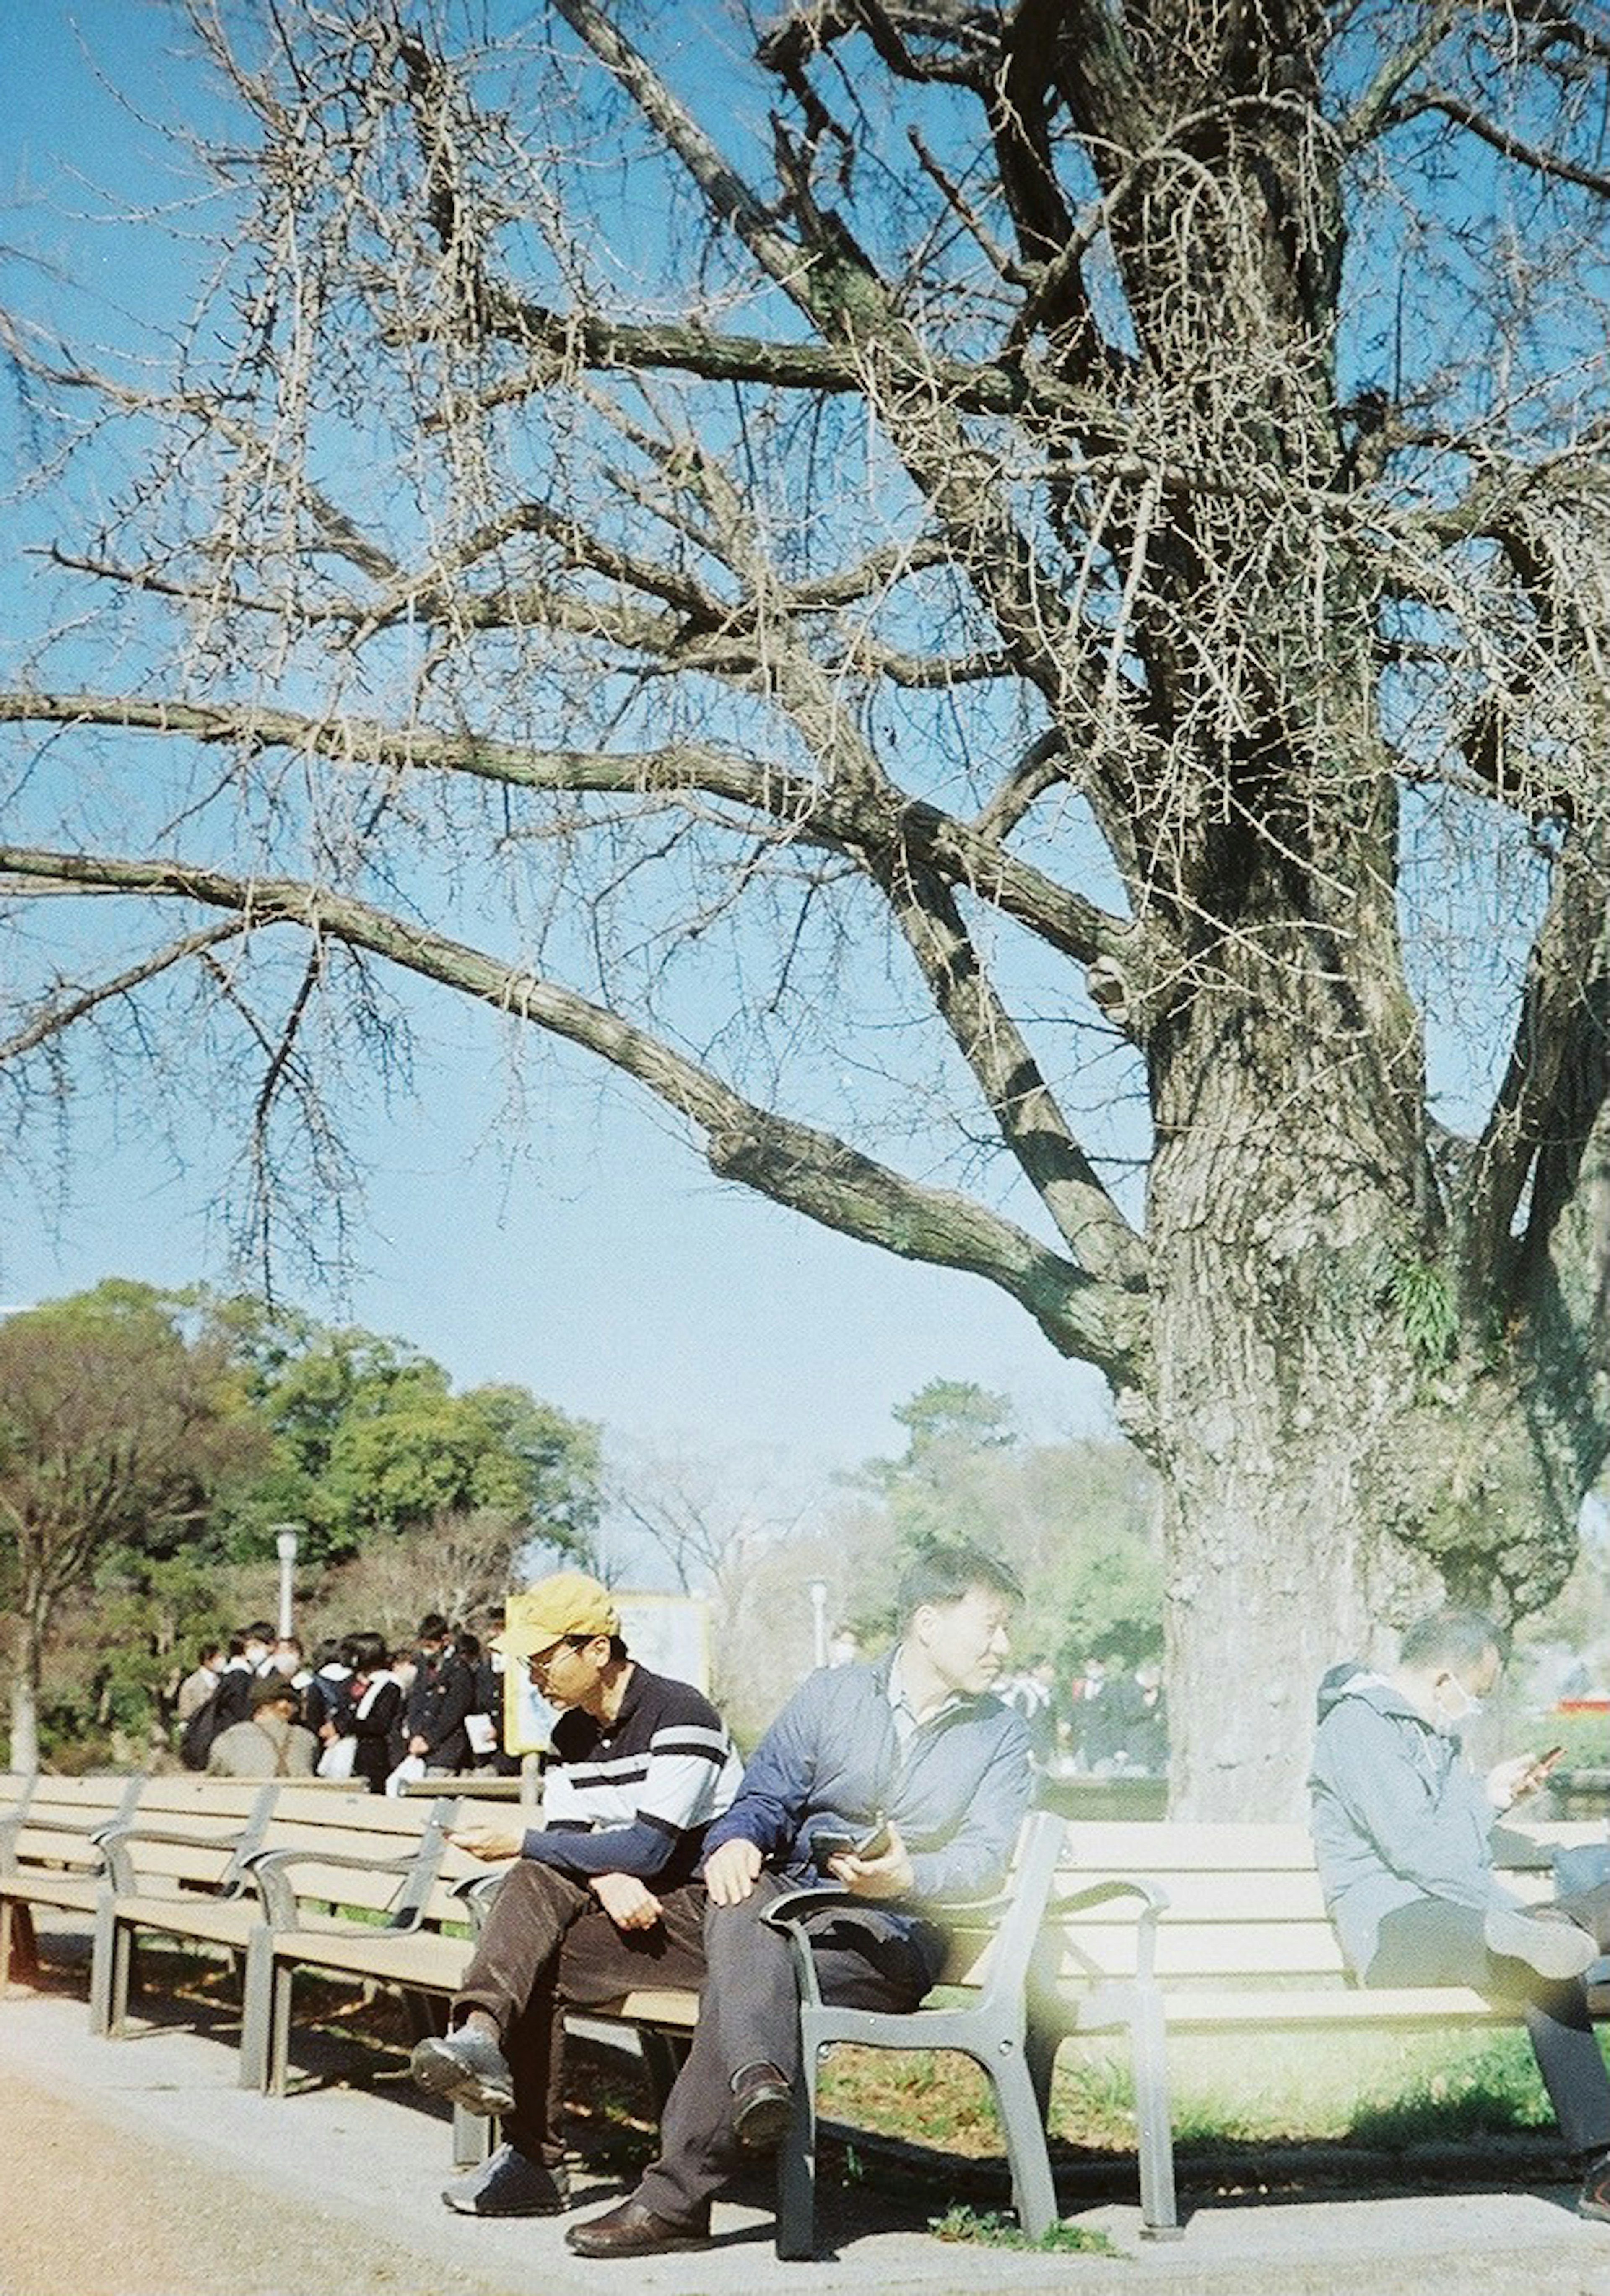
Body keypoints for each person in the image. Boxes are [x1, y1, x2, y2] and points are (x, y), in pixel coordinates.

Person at [565, 1541, 1033, 2259]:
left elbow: (983, 1859)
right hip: (790, 1904)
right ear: (929, 1623)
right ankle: (756, 2079)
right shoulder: (831, 1695)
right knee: (731, 1897)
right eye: (991, 1625)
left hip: (889, 1936)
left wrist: (908, 1877)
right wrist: (740, 1839)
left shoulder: (1000, 1732)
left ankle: (677, 2198)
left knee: (750, 1946)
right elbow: (763, 1797)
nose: (1003, 1645)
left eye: (1007, 1629)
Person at [409, 1572, 743, 2218]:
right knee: (535, 1939)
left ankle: (526, 2140)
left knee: (531, 1872)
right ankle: (483, 2043)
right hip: (638, 1910)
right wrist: (607, 1876)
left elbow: (648, 1848)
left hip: (714, 1924)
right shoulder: (571, 1734)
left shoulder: (682, 1714)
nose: (533, 1674)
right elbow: (569, 1845)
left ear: (597, 1650)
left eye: (543, 1658)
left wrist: (533, 1844)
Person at [1309, 1606, 1610, 2223]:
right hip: (1390, 1927)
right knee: (1518, 1943)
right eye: (1478, 1693)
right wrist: (1482, 1813)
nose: (1475, 1706)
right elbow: (1419, 1852)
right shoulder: (1358, 1727)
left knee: (1538, 1955)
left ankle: (1559, 1928)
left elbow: (1453, 1843)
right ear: (1444, 1681)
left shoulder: (1436, 1736)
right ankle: (1540, 1931)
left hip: (1468, 1913)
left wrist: (1490, 1796)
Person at [319, 1632, 402, 1793]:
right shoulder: (351, 1684)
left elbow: (380, 1723)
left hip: (375, 1758)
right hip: (348, 1755)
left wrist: (342, 1726)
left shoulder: (389, 1686)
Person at [206, 1674, 319, 1778]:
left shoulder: (230, 1739)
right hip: (298, 1798)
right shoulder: (307, 1739)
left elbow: (214, 1782)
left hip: (246, 1798)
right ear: (287, 1708)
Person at [405, 1614, 477, 1776]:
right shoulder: (424, 1667)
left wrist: (430, 1739)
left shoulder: (459, 1669)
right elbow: (416, 1701)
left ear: (445, 1640)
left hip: (446, 1748)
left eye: (431, 1646)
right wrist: (415, 1734)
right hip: (419, 1743)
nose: (427, 1651)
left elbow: (453, 1712)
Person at [174, 1641, 224, 1726]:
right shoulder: (192, 1684)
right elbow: (186, 1713)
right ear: (207, 1661)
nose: (221, 1661)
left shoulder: (222, 1680)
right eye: (218, 1658)